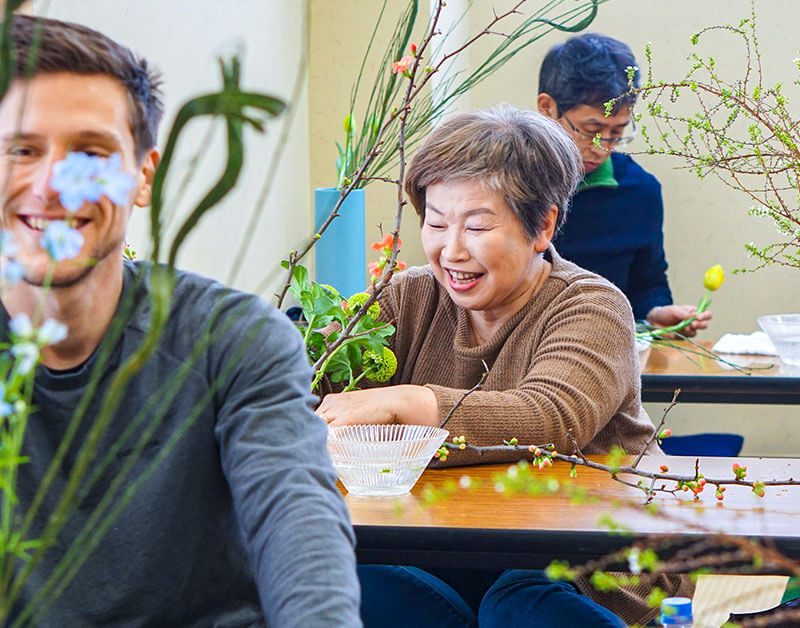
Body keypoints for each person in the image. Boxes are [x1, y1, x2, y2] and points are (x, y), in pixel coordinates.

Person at [0, 15, 360, 626]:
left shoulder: (233, 341)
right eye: (22, 150)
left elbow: (298, 526)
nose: (53, 184)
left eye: (91, 152)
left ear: (143, 175)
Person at [317, 104, 679, 627]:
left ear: (543, 226)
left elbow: (550, 418)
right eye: (437, 223)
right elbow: (318, 373)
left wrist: (408, 401)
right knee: (352, 575)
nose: (451, 250)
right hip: (450, 542)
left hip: (593, 550)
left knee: (518, 604)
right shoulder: (408, 298)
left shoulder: (591, 306)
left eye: (477, 226)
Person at [537, 33, 712, 335]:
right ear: (547, 108)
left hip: (604, 350)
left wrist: (655, 315)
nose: (603, 147)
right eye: (592, 130)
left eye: (617, 133)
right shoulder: (507, 182)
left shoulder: (639, 191)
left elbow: (648, 285)